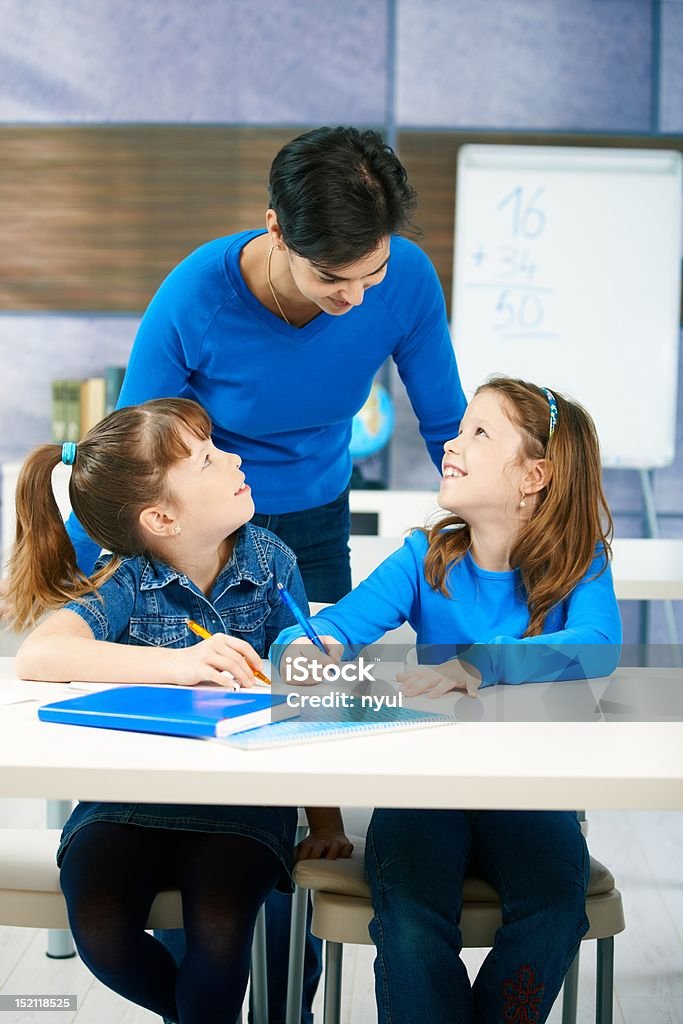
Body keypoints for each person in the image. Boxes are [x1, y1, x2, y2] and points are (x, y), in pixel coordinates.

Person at [63, 123, 468, 1021]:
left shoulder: (401, 281)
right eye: (333, 280)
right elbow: (137, 461)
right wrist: (97, 591)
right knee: (203, 696)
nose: (357, 299)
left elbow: (446, 424)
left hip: (314, 515)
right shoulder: (195, 297)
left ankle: (291, 933)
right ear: (277, 230)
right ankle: (184, 896)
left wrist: (492, 537)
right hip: (201, 518)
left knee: (303, 695)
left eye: (371, 274)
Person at [273, 377, 622, 1024]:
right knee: (407, 920)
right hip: (422, 789)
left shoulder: (582, 565)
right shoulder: (421, 557)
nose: (450, 444)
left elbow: (598, 647)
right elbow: (333, 629)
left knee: (553, 908)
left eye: (477, 433)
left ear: (532, 476)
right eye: (457, 429)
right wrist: (299, 649)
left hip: (528, 789)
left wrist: (481, 661)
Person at [4, 398, 352, 1024]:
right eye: (208, 459)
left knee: (219, 945)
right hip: (126, 806)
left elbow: (308, 705)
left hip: (241, 810)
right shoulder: (127, 580)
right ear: (162, 517)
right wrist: (179, 664)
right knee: (103, 936)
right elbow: (39, 653)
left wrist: (323, 822)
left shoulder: (272, 563)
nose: (235, 458)